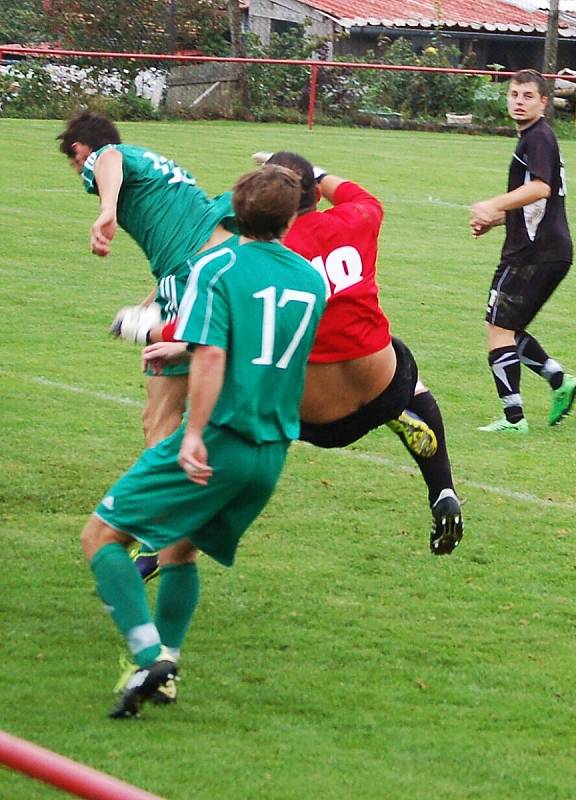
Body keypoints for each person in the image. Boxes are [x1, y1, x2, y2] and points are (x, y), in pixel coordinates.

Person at [79, 165, 326, 718]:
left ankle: (147, 656)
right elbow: (257, 342)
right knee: (180, 549)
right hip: (270, 452)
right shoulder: (313, 281)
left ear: (233, 211)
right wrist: (184, 348)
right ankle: (164, 670)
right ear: (292, 218)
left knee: (100, 537)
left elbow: (216, 353)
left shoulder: (217, 264)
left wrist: (192, 434)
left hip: (220, 437)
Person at [149, 152, 463, 557]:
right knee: (404, 367)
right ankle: (442, 488)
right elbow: (356, 193)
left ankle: (164, 538)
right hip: (383, 383)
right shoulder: (359, 217)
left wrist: (145, 327)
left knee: (238, 385)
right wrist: (319, 172)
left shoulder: (258, 257)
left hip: (312, 417)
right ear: (316, 192)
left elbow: (208, 325)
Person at [57, 110, 237, 448]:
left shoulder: (109, 156)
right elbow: (184, 239)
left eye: (77, 164)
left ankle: (167, 496)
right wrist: (152, 301)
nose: (82, 172)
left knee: (160, 418)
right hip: (221, 265)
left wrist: (107, 209)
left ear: (80, 150)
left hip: (189, 278)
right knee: (205, 399)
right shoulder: (151, 163)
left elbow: (107, 157)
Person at [469, 69, 576, 433]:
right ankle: (557, 380)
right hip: (547, 248)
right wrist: (498, 219)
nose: (519, 101)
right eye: (514, 94)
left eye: (527, 96)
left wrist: (492, 203)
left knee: (498, 328)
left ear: (543, 102)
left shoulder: (538, 137)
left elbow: (541, 189)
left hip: (533, 253)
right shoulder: (534, 138)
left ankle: (513, 418)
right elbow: (537, 203)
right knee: (508, 328)